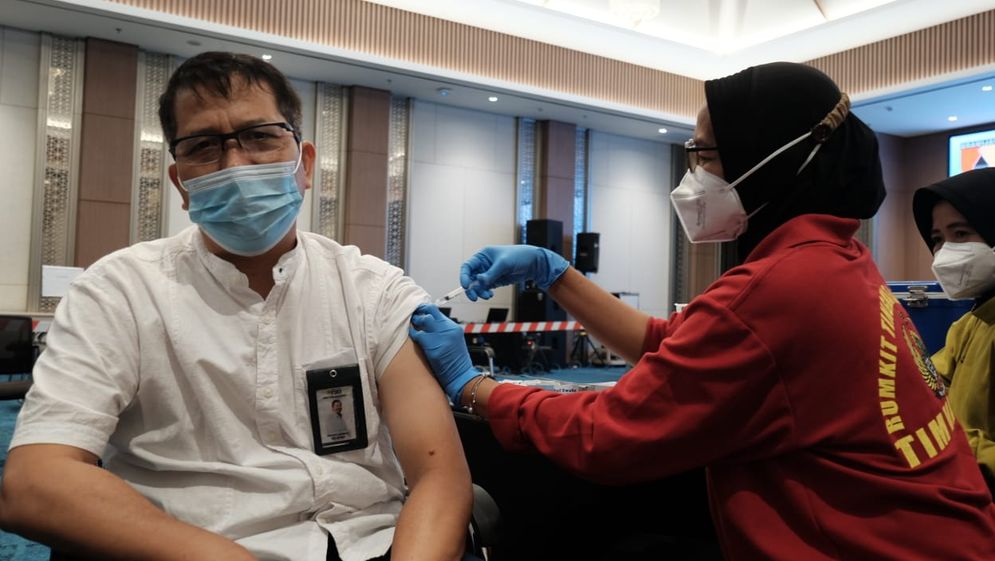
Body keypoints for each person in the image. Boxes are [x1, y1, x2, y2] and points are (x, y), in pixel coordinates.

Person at [410, 62, 995, 560]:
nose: (692, 174)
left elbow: (608, 435)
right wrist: (555, 273)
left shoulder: (779, 288)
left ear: (767, 158)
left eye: (704, 153)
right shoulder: (835, 259)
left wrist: (472, 387)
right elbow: (671, 342)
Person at [0, 52, 471, 561]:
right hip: (185, 548)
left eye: (260, 136)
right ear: (181, 183)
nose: (236, 165)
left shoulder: (375, 291)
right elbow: (36, 482)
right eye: (203, 147)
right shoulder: (118, 292)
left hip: (369, 543)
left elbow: (439, 476)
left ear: (305, 164)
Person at [912, 167, 995, 493]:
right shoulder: (970, 323)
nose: (945, 252)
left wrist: (946, 438)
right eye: (937, 239)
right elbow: (927, 384)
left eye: (961, 234)